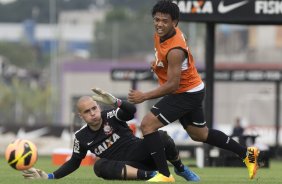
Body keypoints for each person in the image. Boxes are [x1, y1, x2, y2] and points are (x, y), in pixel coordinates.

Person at [128, 0, 259, 182]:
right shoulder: (162, 35)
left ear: (175, 23)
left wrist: (144, 96)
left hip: (184, 93)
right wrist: (158, 65)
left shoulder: (175, 49)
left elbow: (173, 85)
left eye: (164, 21)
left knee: (147, 125)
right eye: (156, 19)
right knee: (200, 134)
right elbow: (166, 62)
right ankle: (247, 153)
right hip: (192, 89)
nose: (159, 24)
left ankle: (164, 175)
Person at [22, 88, 199, 182]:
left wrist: (116, 102)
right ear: (81, 116)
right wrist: (50, 176)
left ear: (98, 107)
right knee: (99, 166)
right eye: (87, 111)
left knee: (162, 137)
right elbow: (74, 162)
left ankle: (180, 169)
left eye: (94, 108)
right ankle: (152, 177)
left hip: (143, 152)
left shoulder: (110, 115)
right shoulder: (80, 137)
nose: (92, 113)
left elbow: (131, 111)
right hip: (127, 167)